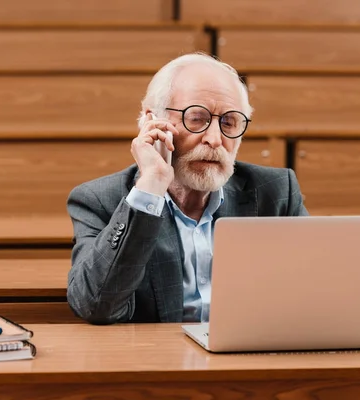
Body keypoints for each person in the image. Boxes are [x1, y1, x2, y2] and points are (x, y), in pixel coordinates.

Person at [67, 52, 308, 325]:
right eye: (197, 118)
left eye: (229, 122)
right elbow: (96, 306)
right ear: (152, 121)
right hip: (156, 362)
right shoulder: (100, 201)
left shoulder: (275, 193)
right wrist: (151, 186)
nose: (215, 139)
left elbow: (315, 292)